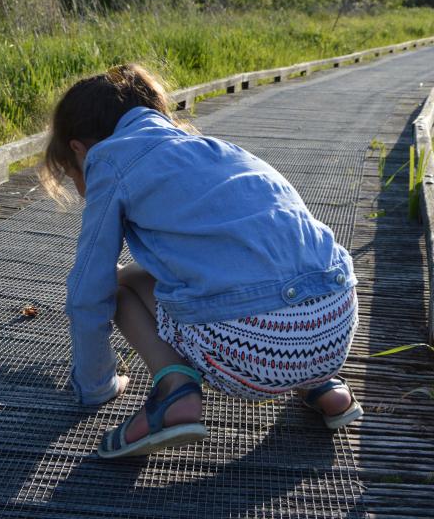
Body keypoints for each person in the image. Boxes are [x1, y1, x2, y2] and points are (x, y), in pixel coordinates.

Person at [41, 64, 363, 459]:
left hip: (256, 350)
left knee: (117, 285)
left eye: (73, 175)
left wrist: (95, 387)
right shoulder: (221, 151)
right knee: (266, 273)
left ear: (78, 149)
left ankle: (174, 391)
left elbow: (89, 291)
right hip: (334, 327)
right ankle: (324, 387)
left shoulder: (108, 161)